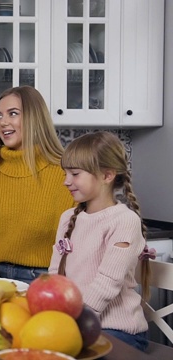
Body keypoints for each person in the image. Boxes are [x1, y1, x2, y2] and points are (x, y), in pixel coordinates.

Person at [48, 131, 151, 351]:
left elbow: (107, 283)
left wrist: (75, 322)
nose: (66, 181)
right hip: (77, 322)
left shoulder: (124, 220)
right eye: (65, 173)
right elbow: (55, 274)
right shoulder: (68, 218)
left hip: (119, 331)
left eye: (75, 174)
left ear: (107, 175)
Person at [0, 86, 76, 283]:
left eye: (13, 114)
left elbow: (78, 237)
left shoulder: (65, 171)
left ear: (35, 118)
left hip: (45, 278)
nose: (3, 122)